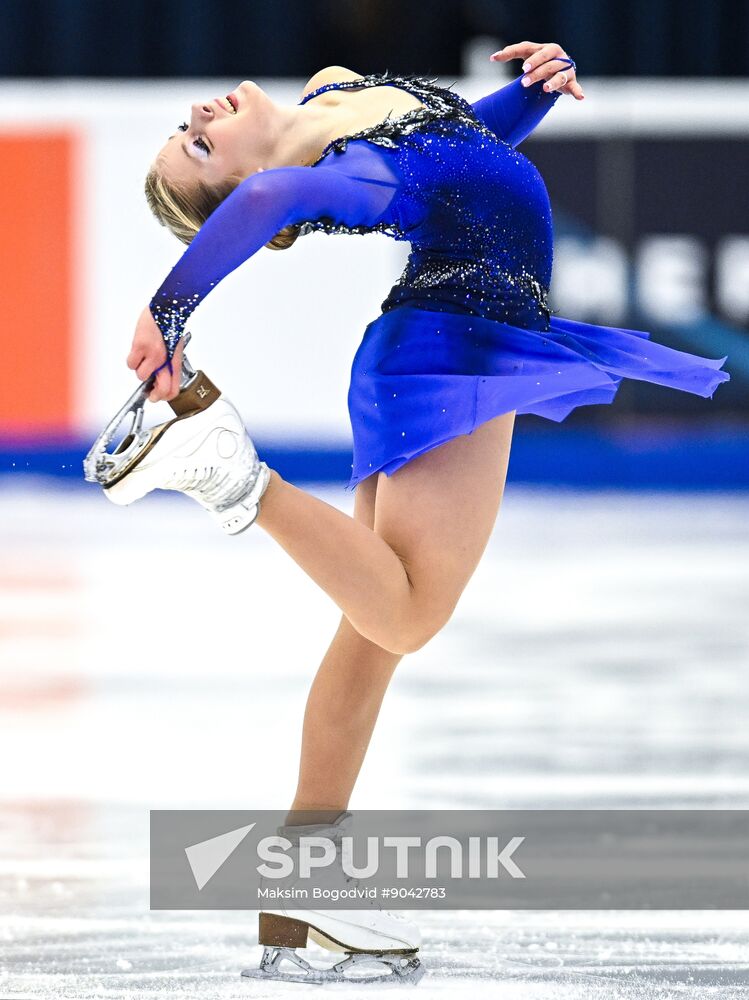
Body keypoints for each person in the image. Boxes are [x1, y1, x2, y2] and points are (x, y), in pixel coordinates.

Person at [111, 41, 729, 983]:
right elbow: (275, 202)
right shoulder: (339, 179)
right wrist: (170, 308)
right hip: (458, 349)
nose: (192, 123)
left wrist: (526, 100)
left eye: (181, 132)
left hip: (433, 339)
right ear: (247, 191)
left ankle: (297, 889)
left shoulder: (338, 94)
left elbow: (466, 149)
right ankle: (231, 471)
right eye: (197, 155)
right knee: (404, 613)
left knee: (372, 636)